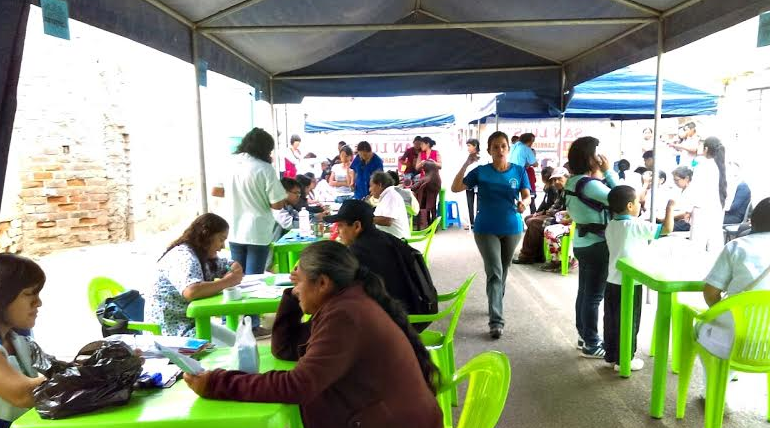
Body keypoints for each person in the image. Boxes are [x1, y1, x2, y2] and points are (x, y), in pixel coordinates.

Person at [183, 241, 443, 428]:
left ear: (323, 283)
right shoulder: (345, 302)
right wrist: (293, 293)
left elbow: (297, 386)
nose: (295, 289)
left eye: (299, 282)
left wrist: (217, 383)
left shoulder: (345, 315)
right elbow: (286, 348)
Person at [451, 131, 531, 339]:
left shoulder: (519, 171)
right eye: (495, 147)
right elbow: (456, 187)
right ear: (489, 150)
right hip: (486, 228)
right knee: (494, 271)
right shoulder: (481, 172)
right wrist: (466, 163)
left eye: (503, 146)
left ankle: (495, 302)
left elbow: (527, 195)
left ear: (508, 148)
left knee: (503, 270)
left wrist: (524, 203)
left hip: (512, 228)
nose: (500, 150)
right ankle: (496, 321)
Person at [326, 199, 435, 321]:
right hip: (421, 306)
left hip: (401, 321)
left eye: (340, 226)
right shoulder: (387, 238)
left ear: (357, 226)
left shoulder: (358, 252)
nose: (337, 231)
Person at [604, 185, 675, 371]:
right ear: (629, 206)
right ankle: (625, 360)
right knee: (630, 321)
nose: (639, 205)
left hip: (611, 281)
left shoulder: (611, 225)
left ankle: (611, 356)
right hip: (630, 283)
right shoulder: (635, 225)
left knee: (612, 320)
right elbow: (667, 229)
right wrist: (670, 207)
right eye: (637, 202)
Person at [146, 213, 245, 341]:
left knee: (238, 343)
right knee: (235, 349)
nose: (222, 246)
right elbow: (191, 291)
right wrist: (228, 281)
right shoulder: (183, 256)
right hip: (172, 333)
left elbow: (228, 265)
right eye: (221, 239)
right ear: (206, 235)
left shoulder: (203, 256)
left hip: (193, 324)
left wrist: (235, 268)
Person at [695, 197, 770, 360]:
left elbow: (710, 293)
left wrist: (723, 313)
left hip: (732, 342)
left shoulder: (737, 247)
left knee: (700, 326)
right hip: (767, 347)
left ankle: (720, 375)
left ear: (753, 221)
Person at [564, 136, 618, 358]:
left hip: (582, 242)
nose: (600, 157)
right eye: (597, 153)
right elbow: (625, 199)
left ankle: (584, 335)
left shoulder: (572, 181)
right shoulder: (591, 185)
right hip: (597, 245)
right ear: (589, 158)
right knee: (594, 296)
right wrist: (609, 172)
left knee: (585, 293)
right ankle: (592, 343)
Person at [223, 127, 287, 274]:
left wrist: (238, 192)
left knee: (237, 276)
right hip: (257, 231)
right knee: (254, 278)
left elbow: (216, 190)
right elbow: (277, 204)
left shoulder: (229, 163)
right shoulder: (265, 169)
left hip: (234, 228)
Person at [0, 254, 48, 427]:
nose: (38, 303)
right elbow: (22, 394)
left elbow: (53, 369)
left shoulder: (17, 338)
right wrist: (87, 374)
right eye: (29, 294)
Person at [514, 166, 566, 264]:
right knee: (530, 220)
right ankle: (537, 254)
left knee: (533, 222)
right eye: (554, 179)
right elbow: (552, 206)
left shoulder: (562, 190)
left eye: (559, 179)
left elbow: (559, 210)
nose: (556, 182)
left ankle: (527, 256)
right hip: (556, 216)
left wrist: (545, 212)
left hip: (562, 219)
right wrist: (541, 212)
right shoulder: (559, 190)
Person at [689, 137, 727, 252]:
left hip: (701, 207)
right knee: (715, 242)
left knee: (697, 244)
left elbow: (695, 188)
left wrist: (688, 209)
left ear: (705, 149)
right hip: (718, 207)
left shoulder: (702, 164)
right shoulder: (723, 165)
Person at [369, 172, 410, 239]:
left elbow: (387, 221)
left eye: (371, 186)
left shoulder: (391, 196)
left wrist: (365, 218)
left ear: (380, 185)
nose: (369, 189)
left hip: (396, 241)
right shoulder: (387, 195)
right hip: (389, 238)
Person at [412, 160, 442, 230]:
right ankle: (434, 227)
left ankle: (421, 226)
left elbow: (413, 188)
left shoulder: (424, 179)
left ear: (425, 169)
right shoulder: (438, 179)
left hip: (422, 203)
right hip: (432, 203)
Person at [464, 138, 482, 227]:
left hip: (479, 184)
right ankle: (471, 223)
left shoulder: (481, 157)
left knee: (479, 205)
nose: (467, 148)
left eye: (469, 146)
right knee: (470, 204)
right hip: (468, 183)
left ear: (475, 146)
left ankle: (478, 223)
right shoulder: (467, 157)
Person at [671, 166, 695, 232]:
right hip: (679, 219)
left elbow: (686, 213)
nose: (675, 182)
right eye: (674, 180)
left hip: (687, 223)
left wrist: (669, 217)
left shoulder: (692, 191)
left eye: (677, 180)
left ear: (686, 178)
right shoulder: (679, 190)